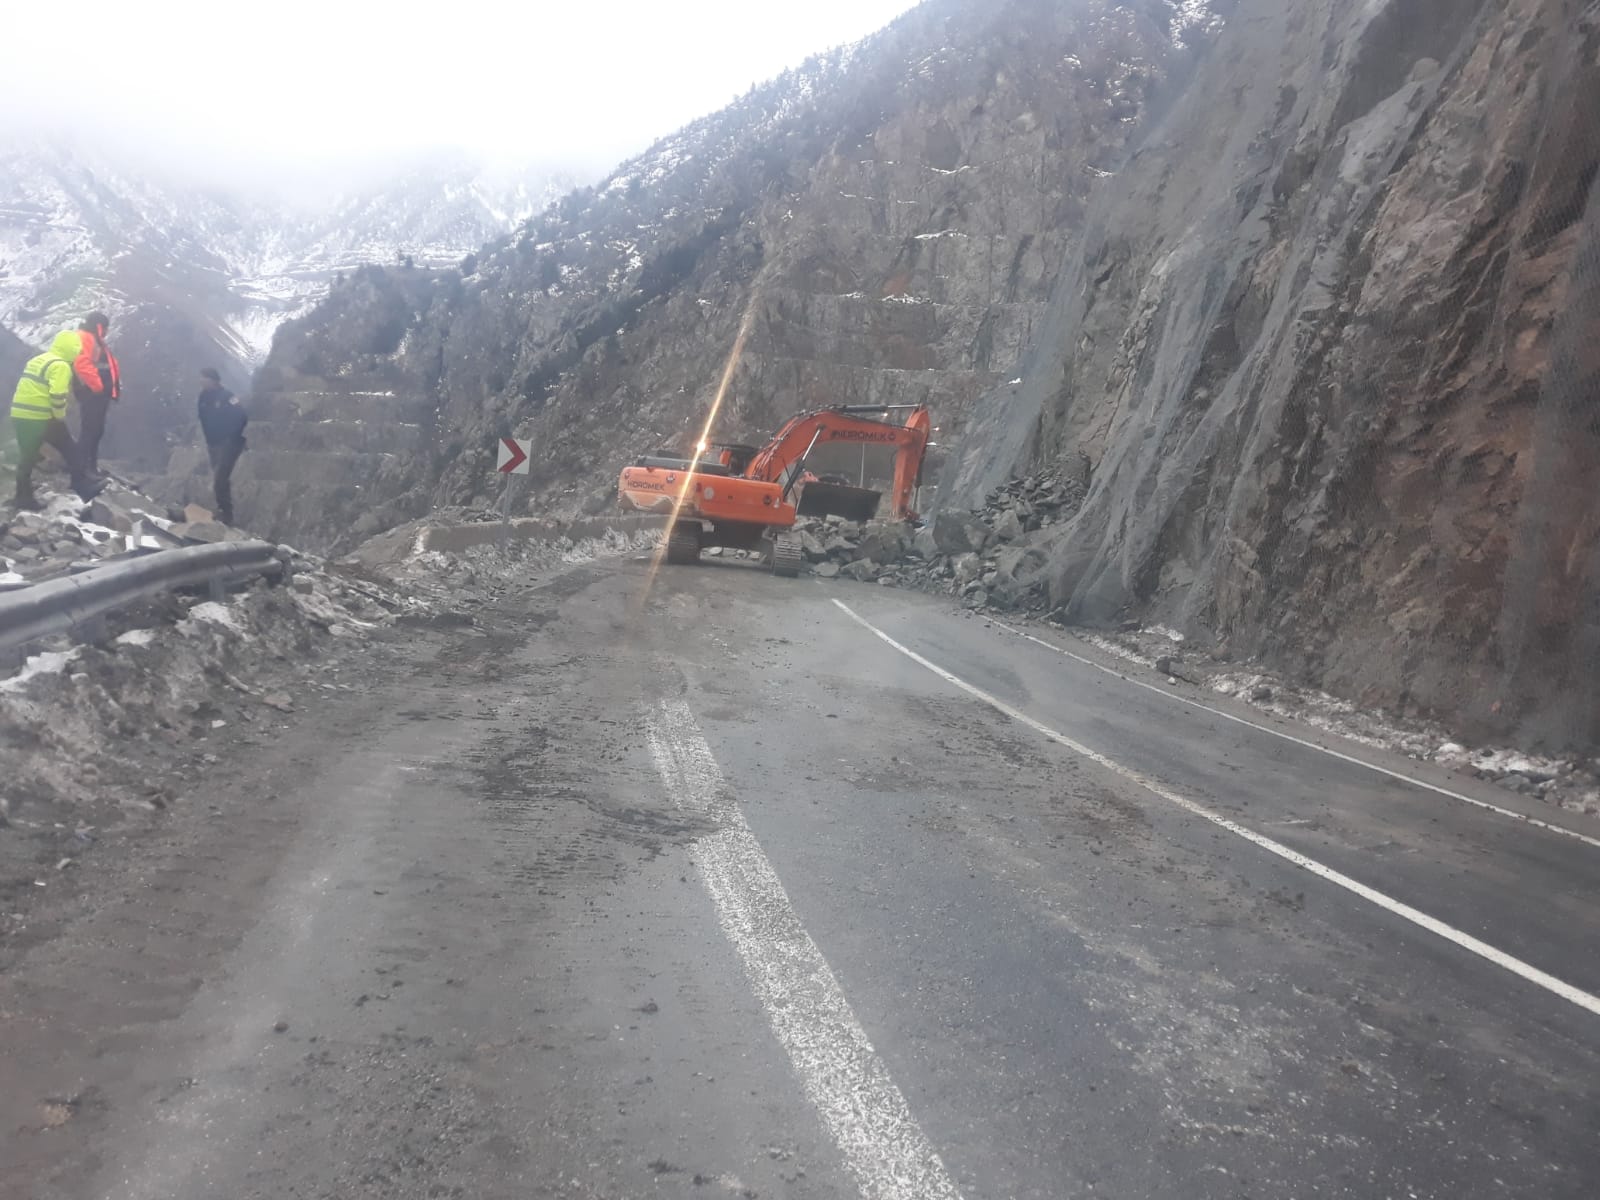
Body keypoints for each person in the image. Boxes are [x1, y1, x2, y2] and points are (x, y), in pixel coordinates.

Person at [11, 332, 101, 509]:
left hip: (20, 415)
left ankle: (22, 497)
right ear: (72, 349)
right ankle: (83, 485)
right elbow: (58, 394)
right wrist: (59, 416)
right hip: (41, 417)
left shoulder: (39, 359)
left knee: (27, 457)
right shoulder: (61, 366)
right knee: (70, 449)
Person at [58, 311, 121, 478]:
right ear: (100, 326)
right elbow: (82, 363)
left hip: (95, 394)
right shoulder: (86, 338)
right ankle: (82, 468)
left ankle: (88, 466)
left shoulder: (92, 339)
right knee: (91, 429)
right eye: (106, 328)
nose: (107, 331)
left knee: (95, 429)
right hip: (92, 393)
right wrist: (98, 386)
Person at [197, 367, 247, 524]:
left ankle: (226, 514)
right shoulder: (203, 397)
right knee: (220, 479)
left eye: (204, 378)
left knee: (220, 479)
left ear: (213, 380)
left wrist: (231, 435)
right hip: (213, 444)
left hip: (229, 443)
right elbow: (203, 418)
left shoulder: (228, 396)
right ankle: (223, 511)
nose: (201, 381)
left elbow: (242, 416)